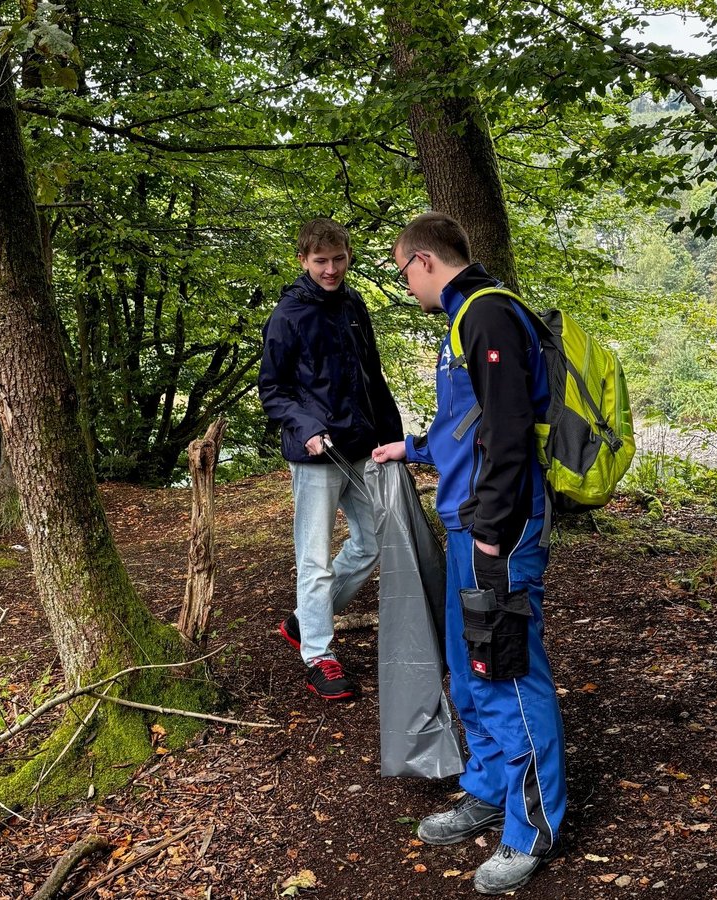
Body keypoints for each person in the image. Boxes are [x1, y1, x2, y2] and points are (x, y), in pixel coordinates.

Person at [371, 212, 566, 894]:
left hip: (497, 531)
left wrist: (491, 523)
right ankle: (488, 788)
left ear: (424, 260)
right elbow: (467, 422)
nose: (408, 286)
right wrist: (411, 448)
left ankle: (531, 828)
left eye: (404, 272)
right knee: (468, 665)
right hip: (469, 524)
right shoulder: (464, 319)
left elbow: (510, 427)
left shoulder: (485, 314)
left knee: (507, 670)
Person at [259, 218, 403, 701]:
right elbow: (273, 390)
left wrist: (393, 442)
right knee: (314, 560)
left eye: (338, 259)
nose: (331, 269)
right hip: (316, 456)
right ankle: (319, 655)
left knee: (373, 542)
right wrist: (308, 429)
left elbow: (372, 378)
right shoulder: (288, 315)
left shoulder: (353, 304)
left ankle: (304, 621)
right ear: (303, 260)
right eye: (321, 261)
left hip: (361, 448)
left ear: (348, 255)